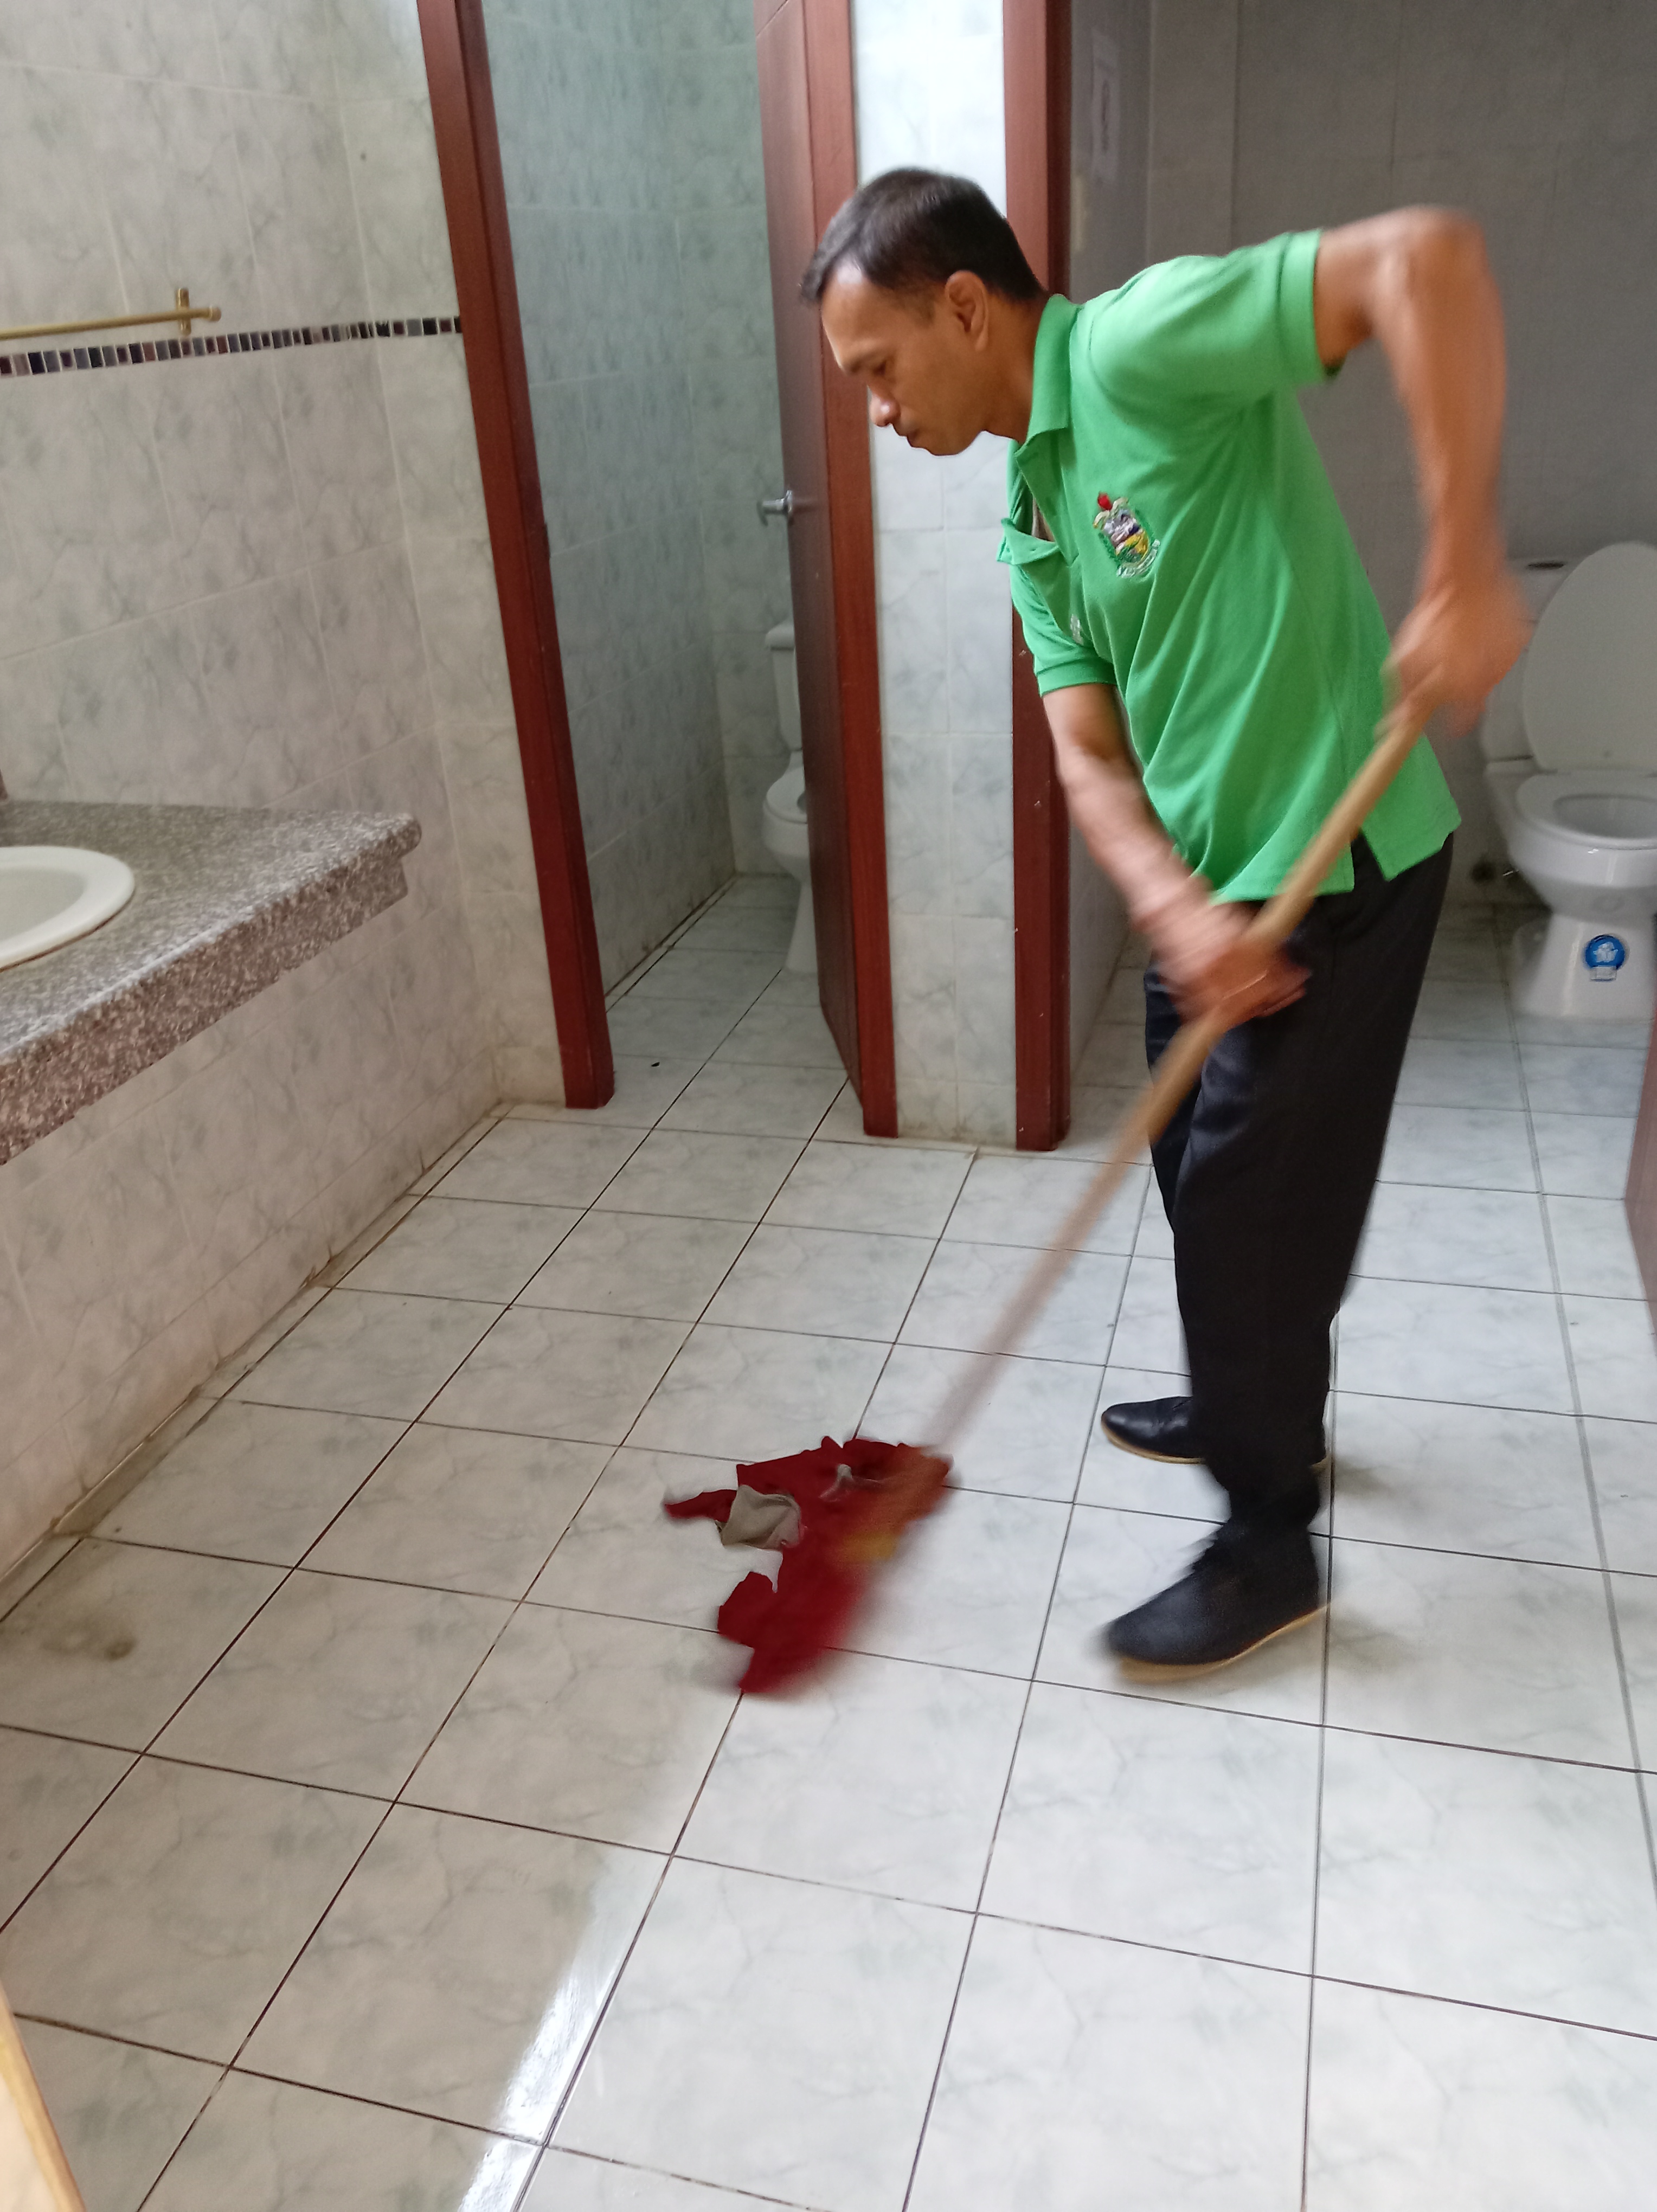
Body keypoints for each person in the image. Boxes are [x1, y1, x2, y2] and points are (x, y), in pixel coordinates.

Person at [802, 169, 1528, 1675]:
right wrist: (1171, 905)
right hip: (1214, 888)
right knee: (1201, 1170)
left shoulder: (1139, 344)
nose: (875, 410)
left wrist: (1463, 562)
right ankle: (1256, 1390)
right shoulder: (1032, 512)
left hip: (1341, 866)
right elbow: (1088, 752)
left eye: (878, 369)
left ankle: (1268, 1542)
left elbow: (1426, 260)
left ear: (963, 307)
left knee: (1253, 1211)